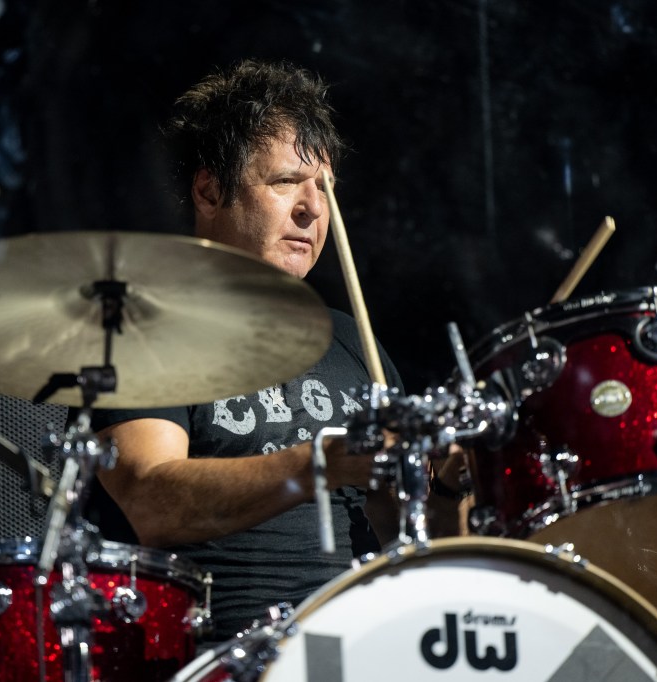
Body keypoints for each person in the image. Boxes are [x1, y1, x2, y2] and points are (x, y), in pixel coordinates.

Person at [88, 58, 462, 644]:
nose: (314, 208)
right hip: (222, 651)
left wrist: (449, 485)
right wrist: (321, 462)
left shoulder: (348, 337)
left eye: (325, 188)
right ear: (210, 192)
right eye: (286, 181)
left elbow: (408, 537)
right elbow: (151, 501)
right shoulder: (146, 326)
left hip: (368, 640)